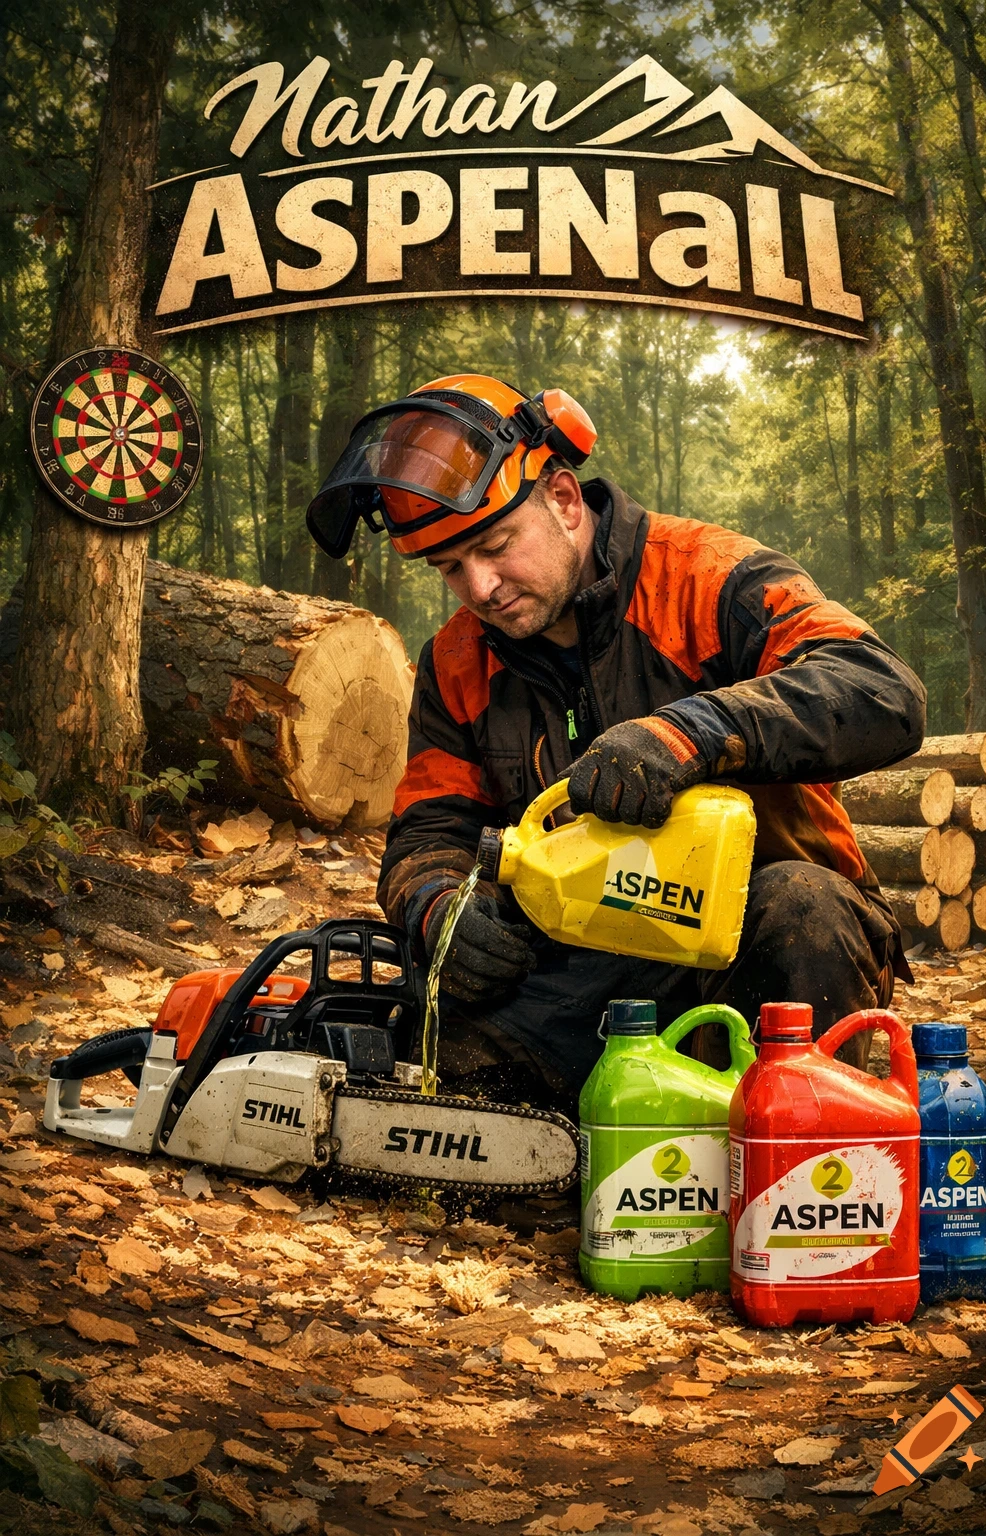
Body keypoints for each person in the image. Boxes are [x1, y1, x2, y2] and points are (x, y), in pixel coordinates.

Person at [307, 372, 926, 1112]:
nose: (480, 587)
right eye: (450, 568)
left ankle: (798, 1159)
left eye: (497, 546)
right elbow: (430, 829)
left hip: (759, 935)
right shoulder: (457, 661)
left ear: (565, 502)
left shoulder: (708, 577)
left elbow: (881, 689)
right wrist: (439, 907)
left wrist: (692, 732)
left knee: (802, 905)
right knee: (445, 1061)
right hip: (586, 956)